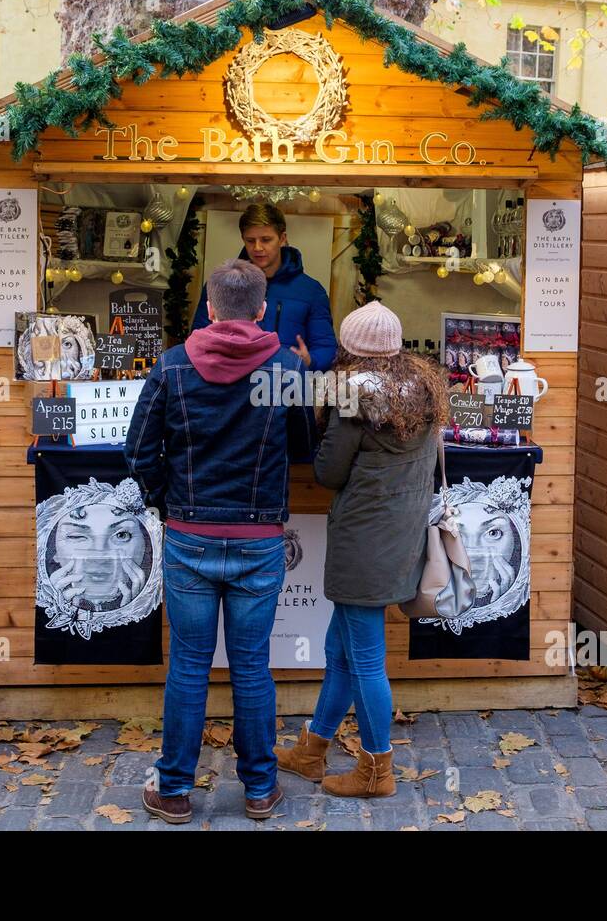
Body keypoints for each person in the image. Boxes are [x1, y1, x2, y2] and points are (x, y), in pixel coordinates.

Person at [126, 258, 313, 824]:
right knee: (252, 666)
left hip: (190, 538)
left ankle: (176, 789)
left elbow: (137, 455)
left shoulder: (172, 367)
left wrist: (171, 502)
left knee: (188, 665)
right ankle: (260, 789)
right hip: (258, 540)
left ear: (209, 308)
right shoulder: (284, 368)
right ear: (262, 310)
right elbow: (303, 447)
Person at [275, 301, 448, 798]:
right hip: (401, 535)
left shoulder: (352, 395)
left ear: (351, 348)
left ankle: (377, 771)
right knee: (340, 650)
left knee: (365, 659)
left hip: (364, 539)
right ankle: (312, 750)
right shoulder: (423, 388)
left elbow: (328, 472)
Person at [191, 203, 337, 371]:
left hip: (285, 386)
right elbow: (198, 337)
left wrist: (311, 361)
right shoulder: (220, 285)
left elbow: (326, 347)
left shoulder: (311, 291)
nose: (258, 248)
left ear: (282, 239)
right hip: (230, 385)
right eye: (250, 240)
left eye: (266, 240)